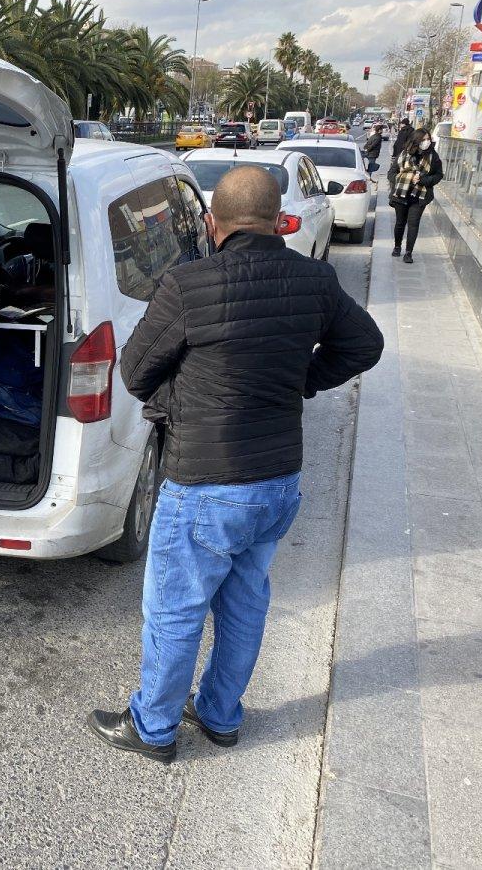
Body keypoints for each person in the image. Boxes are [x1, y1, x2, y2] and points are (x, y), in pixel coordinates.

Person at [85, 166, 382, 763]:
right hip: (277, 482)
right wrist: (304, 380)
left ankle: (153, 727)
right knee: (245, 602)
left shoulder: (189, 283)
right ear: (277, 222)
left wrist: (182, 398)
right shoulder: (315, 280)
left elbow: (138, 371)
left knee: (176, 608)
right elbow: (364, 345)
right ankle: (220, 715)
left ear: (212, 223)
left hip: (205, 481)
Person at [388, 128, 443, 264]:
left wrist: (423, 180)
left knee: (413, 224)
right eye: (423, 139)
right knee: (400, 222)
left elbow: (439, 175)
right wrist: (407, 177)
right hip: (401, 195)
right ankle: (397, 246)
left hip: (419, 197)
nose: (426, 142)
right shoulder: (403, 154)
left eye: (428, 139)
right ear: (416, 140)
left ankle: (408, 253)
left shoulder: (433, 156)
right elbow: (391, 174)